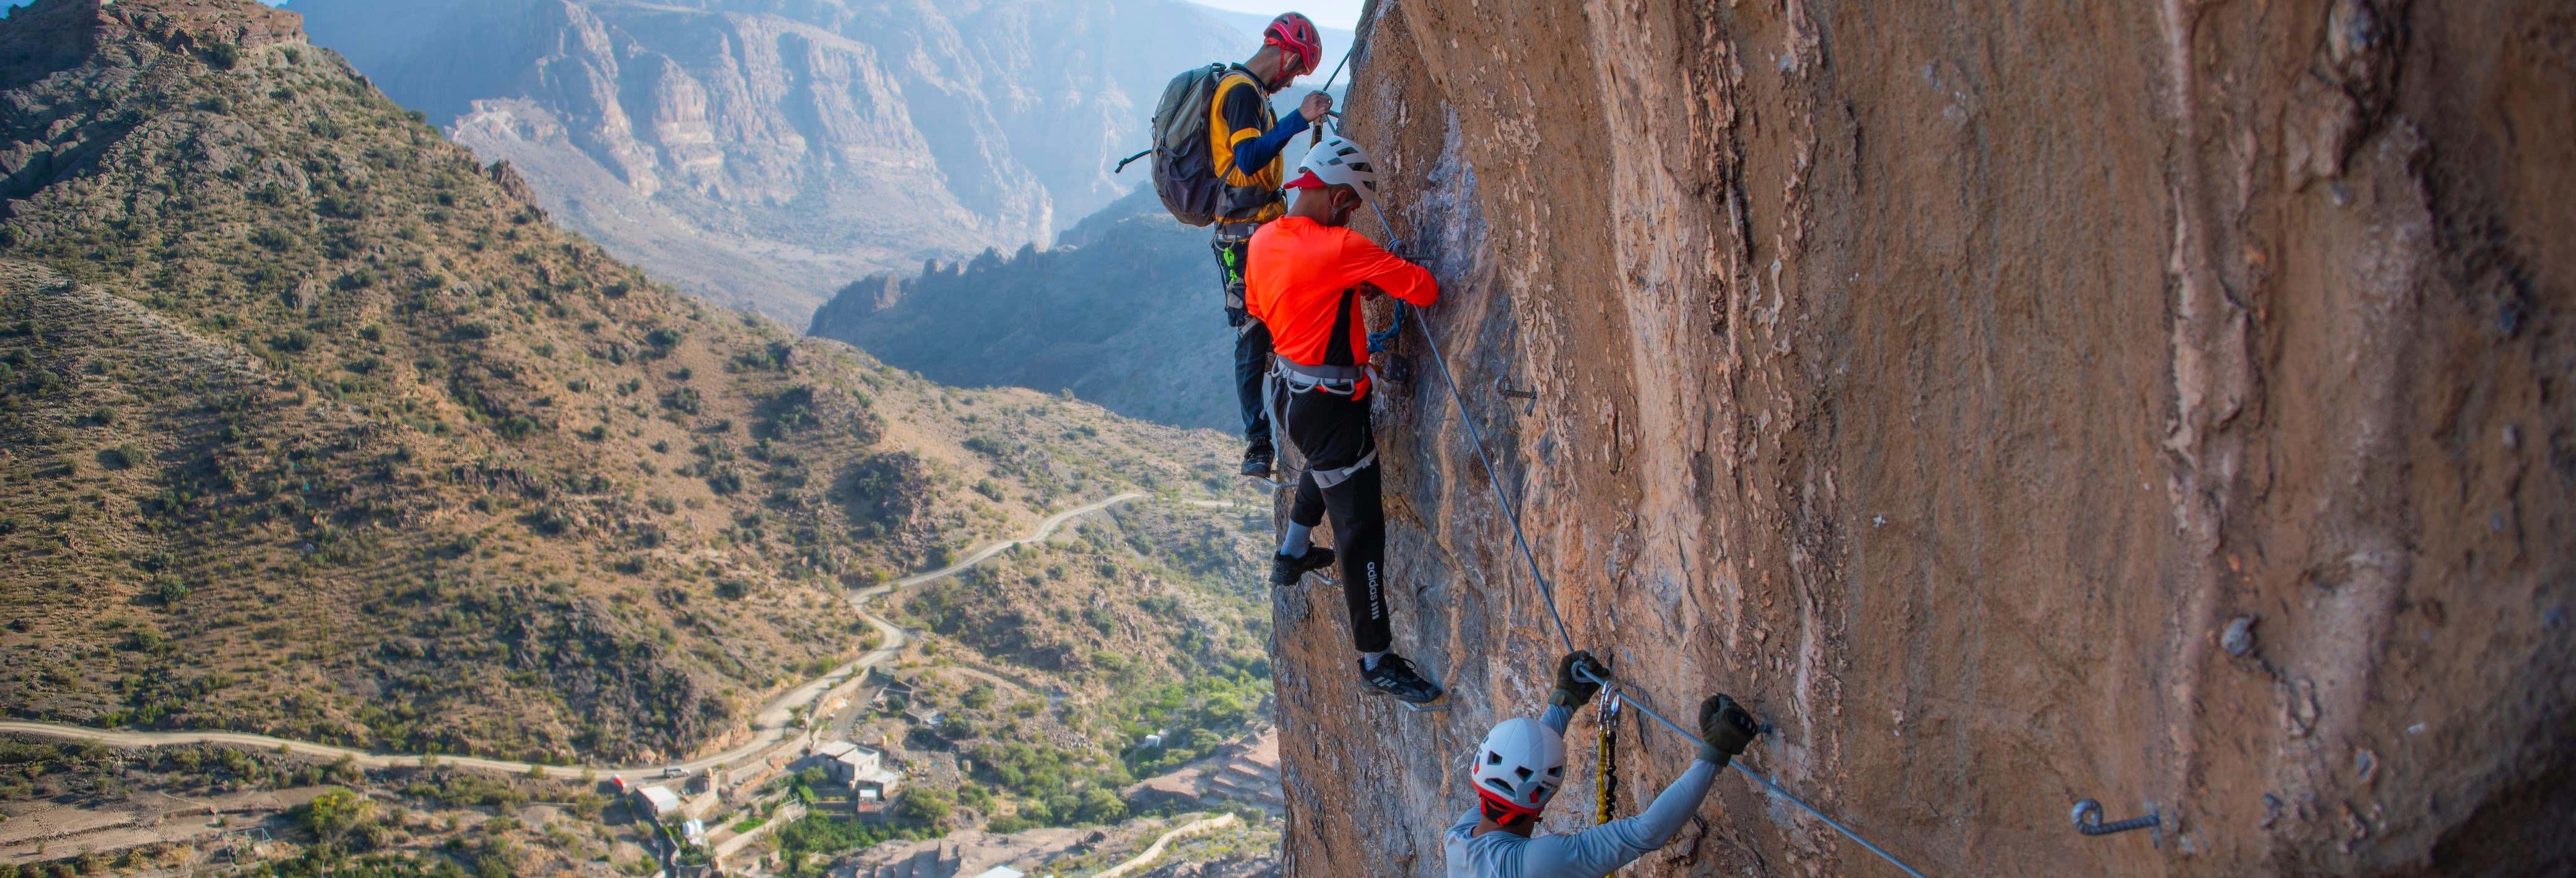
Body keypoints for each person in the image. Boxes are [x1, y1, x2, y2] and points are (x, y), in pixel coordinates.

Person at [1243, 134, 1443, 703]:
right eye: (1350, 203)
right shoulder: (1341, 246)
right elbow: (1423, 290)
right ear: (1334, 196)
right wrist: (1363, 267)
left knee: (1329, 466)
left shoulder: (1262, 240)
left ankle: (1292, 551)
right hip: (1330, 406)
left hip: (1286, 392)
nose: (1352, 213)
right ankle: (1377, 660)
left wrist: (1335, 286)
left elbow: (1263, 308)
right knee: (1361, 532)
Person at [1445, 651, 1762, 878]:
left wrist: (1564, 702)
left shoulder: (1459, 839)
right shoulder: (1536, 865)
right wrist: (1715, 753)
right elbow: (1646, 833)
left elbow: (1524, 768)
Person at [1209, 12, 1333, 477]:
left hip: (1260, 225)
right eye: (1297, 68)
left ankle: (1278, 424)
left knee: (1275, 326)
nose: (1293, 78)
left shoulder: (1253, 92)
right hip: (1243, 235)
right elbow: (1247, 159)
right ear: (1284, 52)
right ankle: (1257, 442)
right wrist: (1300, 119)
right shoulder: (1240, 92)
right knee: (1252, 331)